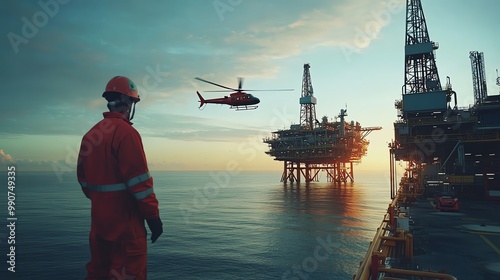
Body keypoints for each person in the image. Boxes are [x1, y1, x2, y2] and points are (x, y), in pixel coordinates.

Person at [77, 76, 163, 279]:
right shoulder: (127, 134)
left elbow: (84, 181)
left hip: (99, 225)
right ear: (127, 102)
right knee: (129, 274)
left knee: (98, 272)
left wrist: (104, 202)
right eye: (133, 102)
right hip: (126, 228)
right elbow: (141, 184)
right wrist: (153, 219)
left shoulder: (90, 135)